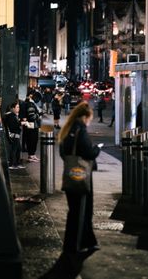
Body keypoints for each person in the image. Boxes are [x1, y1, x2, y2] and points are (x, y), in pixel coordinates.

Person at [39, 101, 101, 279]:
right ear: (85, 116)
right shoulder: (80, 128)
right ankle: (74, 246)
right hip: (80, 178)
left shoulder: (68, 129)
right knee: (81, 211)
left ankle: (86, 241)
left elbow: (63, 152)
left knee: (76, 211)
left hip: (70, 177)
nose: (89, 121)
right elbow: (88, 151)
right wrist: (96, 149)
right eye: (90, 118)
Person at [2, 101, 25, 170]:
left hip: (16, 134)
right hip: (13, 135)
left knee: (18, 149)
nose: (18, 109)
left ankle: (17, 163)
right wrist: (21, 124)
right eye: (17, 107)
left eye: (19, 107)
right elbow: (12, 126)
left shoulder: (14, 115)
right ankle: (12, 164)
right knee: (14, 149)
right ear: (13, 108)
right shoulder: (10, 116)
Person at [22, 90, 41, 162]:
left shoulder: (28, 103)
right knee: (32, 140)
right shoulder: (30, 104)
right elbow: (32, 116)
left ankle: (32, 155)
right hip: (32, 124)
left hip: (30, 124)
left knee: (32, 140)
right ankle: (31, 155)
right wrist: (38, 115)